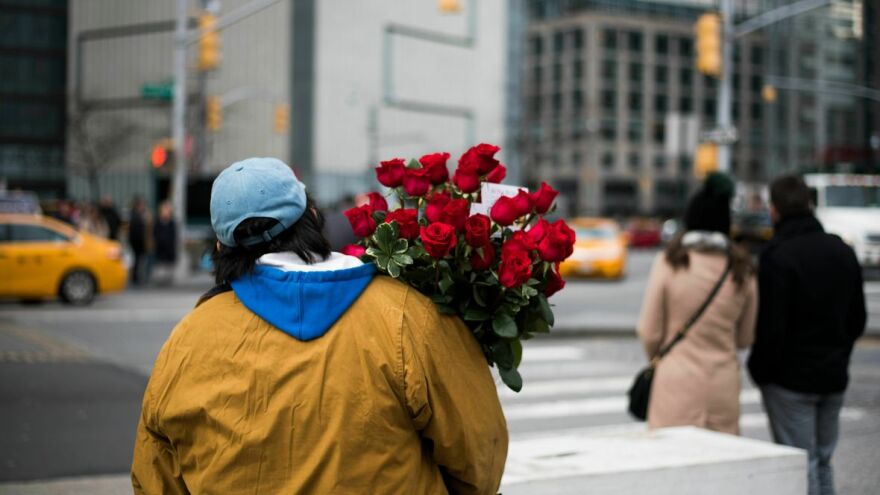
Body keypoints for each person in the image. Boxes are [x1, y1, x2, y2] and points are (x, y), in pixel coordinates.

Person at [131, 157, 508, 494]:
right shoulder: (406, 316)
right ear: (311, 217)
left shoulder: (188, 339)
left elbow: (155, 474)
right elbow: (479, 452)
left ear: (219, 247)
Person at [748, 175, 866, 495]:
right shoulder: (841, 251)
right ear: (809, 204)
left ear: (774, 211)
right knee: (823, 461)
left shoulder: (777, 256)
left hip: (790, 381)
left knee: (802, 465)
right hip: (832, 375)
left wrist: (761, 371)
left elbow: (771, 328)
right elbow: (858, 319)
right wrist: (838, 353)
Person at [637, 173, 758, 435]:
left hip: (675, 382)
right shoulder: (742, 269)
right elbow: (745, 338)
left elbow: (649, 331)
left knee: (674, 466)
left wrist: (662, 357)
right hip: (722, 385)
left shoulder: (670, 262)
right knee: (720, 465)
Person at [127, 196, 152, 285]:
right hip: (137, 243)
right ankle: (136, 278)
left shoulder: (140, 215)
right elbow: (135, 232)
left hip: (140, 243)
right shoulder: (135, 216)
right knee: (137, 261)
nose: (143, 207)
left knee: (140, 261)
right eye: (142, 205)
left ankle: (138, 277)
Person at [152, 201, 177, 285]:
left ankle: (167, 281)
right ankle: (160, 281)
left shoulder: (172, 223)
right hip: (160, 249)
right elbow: (155, 235)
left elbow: (173, 237)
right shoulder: (157, 222)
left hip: (169, 249)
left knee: (168, 267)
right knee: (160, 266)